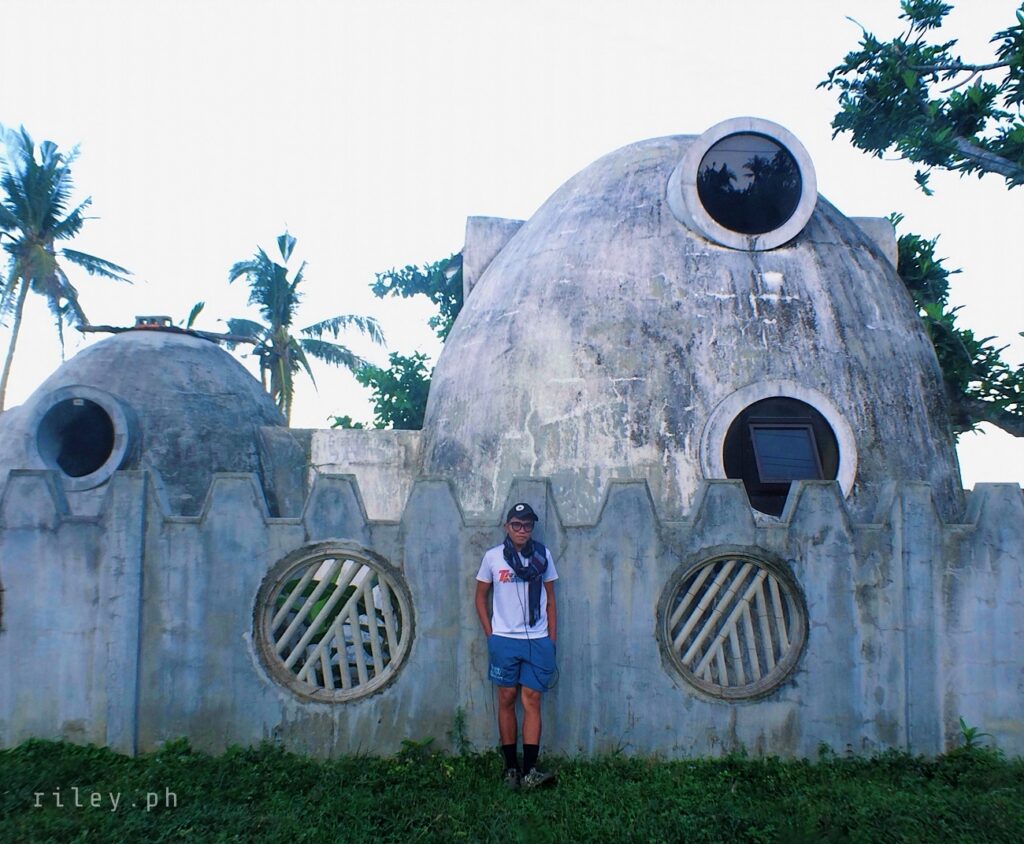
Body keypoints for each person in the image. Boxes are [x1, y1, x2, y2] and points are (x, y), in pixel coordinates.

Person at [475, 502, 558, 789]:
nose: (522, 530)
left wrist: (551, 640)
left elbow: (551, 599)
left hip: (537, 640)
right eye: (517, 524)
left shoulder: (543, 556)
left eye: (527, 525)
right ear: (507, 527)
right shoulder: (493, 557)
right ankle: (510, 768)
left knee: (532, 700)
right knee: (507, 698)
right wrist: (491, 635)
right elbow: (480, 597)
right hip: (504, 641)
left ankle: (530, 770)